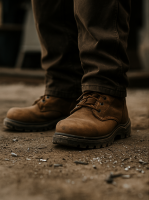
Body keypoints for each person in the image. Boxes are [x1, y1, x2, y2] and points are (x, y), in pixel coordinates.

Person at [3, 0, 131, 148]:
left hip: (108, 86)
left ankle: (106, 93)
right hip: (62, 85)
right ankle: (63, 91)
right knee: (48, 5)